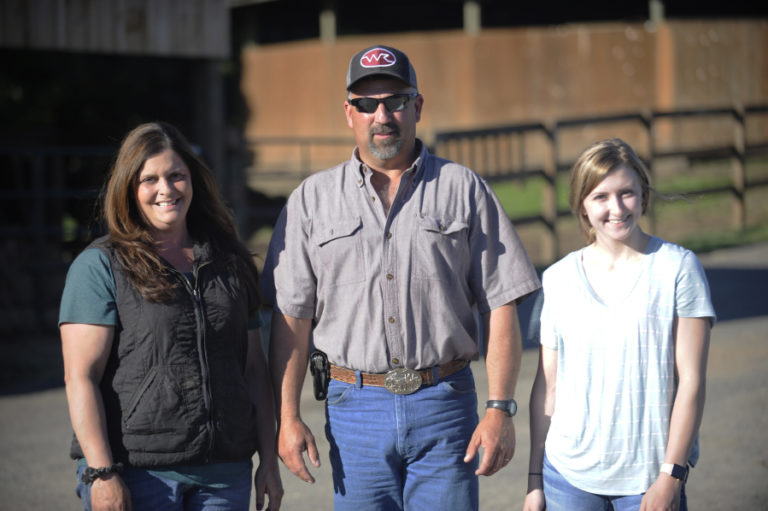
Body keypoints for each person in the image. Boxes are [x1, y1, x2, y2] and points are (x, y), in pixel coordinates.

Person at [260, 45, 541, 510]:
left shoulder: (463, 189)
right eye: (367, 104)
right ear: (348, 112)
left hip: (445, 404)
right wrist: (287, 417)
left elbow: (502, 301)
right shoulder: (311, 200)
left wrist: (500, 408)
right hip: (354, 410)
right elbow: (292, 321)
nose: (382, 115)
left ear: (418, 106)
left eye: (395, 100)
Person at [59, 122, 283, 511]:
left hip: (225, 475)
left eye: (176, 175)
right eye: (150, 179)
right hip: (139, 475)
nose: (166, 189)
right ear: (129, 189)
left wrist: (268, 460)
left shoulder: (229, 262)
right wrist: (101, 472)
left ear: (193, 182)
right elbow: (81, 377)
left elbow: (253, 370)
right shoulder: (99, 266)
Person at [523, 138, 716, 511]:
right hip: (567, 478)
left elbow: (692, 382)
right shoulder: (558, 278)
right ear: (582, 204)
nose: (616, 208)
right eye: (600, 197)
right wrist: (535, 481)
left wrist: (670, 476)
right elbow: (548, 384)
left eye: (626, 193)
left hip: (648, 481)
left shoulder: (678, 269)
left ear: (643, 195)